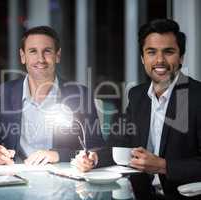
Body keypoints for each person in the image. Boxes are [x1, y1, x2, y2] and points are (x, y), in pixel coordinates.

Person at [74, 19, 201, 199]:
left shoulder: (197, 96)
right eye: (151, 52)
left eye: (168, 52)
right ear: (143, 58)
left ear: (181, 57)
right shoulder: (137, 95)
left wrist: (163, 165)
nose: (159, 60)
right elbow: (120, 144)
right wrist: (94, 158)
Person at [0, 26, 103, 165]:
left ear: (57, 55)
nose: (40, 59)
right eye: (33, 51)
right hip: (17, 176)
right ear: (23, 56)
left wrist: (57, 155)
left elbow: (96, 148)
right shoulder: (3, 93)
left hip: (62, 178)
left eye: (47, 51)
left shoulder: (80, 96)